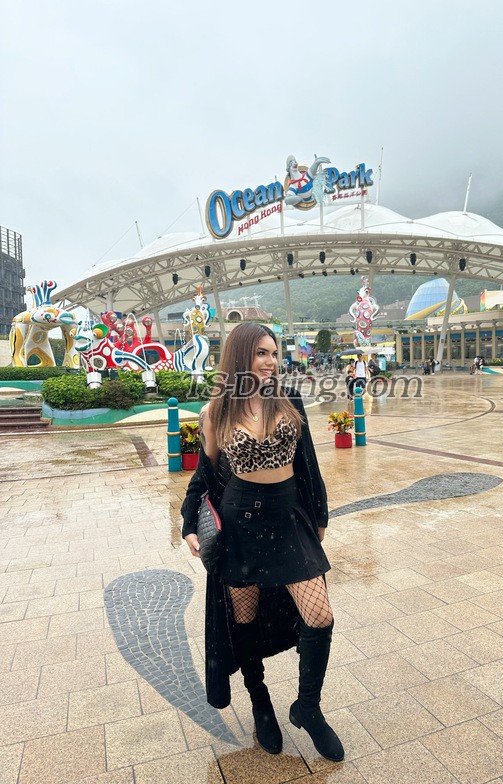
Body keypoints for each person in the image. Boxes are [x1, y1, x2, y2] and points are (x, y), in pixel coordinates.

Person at [181, 322, 344, 762]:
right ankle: (260, 700)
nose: (271, 361)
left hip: (289, 519)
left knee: (320, 615)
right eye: (261, 353)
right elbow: (205, 475)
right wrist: (189, 523)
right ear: (240, 357)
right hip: (241, 526)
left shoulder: (288, 399)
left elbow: (308, 463)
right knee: (245, 621)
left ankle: (308, 708)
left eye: (274, 353)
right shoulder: (216, 412)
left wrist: (320, 516)